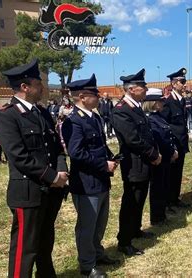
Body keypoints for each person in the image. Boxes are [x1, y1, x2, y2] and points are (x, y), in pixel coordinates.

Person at [0, 59, 69, 278]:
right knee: (25, 249)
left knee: (45, 242)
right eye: (39, 84)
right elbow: (19, 157)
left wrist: (61, 172)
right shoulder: (7, 116)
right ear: (25, 87)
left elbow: (56, 147)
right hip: (28, 192)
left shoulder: (43, 113)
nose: (43, 88)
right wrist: (52, 176)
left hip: (50, 190)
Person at [61, 74, 119, 277]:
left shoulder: (94, 117)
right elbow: (76, 153)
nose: (99, 96)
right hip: (86, 183)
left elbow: (99, 146)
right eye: (95, 93)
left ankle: (97, 253)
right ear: (83, 97)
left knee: (100, 222)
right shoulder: (73, 121)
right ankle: (87, 265)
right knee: (87, 225)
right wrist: (103, 164)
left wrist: (111, 159)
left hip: (100, 180)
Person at [112, 69, 161, 256]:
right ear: (132, 89)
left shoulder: (135, 107)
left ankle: (135, 229)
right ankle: (124, 241)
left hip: (144, 162)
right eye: (143, 86)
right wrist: (153, 154)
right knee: (131, 201)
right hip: (134, 164)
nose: (146, 88)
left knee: (140, 198)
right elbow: (133, 139)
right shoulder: (121, 110)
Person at [143, 88, 179, 224]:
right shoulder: (150, 119)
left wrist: (172, 150)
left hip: (166, 158)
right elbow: (159, 141)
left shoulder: (158, 116)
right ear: (153, 102)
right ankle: (157, 218)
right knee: (157, 188)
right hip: (159, 158)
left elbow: (168, 136)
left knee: (163, 186)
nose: (163, 104)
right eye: (160, 101)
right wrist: (170, 152)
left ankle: (162, 213)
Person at [160, 68, 190, 208]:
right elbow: (164, 125)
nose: (185, 84)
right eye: (182, 82)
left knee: (178, 172)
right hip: (173, 144)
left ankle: (175, 198)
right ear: (174, 84)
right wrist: (170, 147)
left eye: (185, 81)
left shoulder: (182, 100)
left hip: (181, 142)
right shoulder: (168, 101)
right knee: (170, 174)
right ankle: (167, 201)